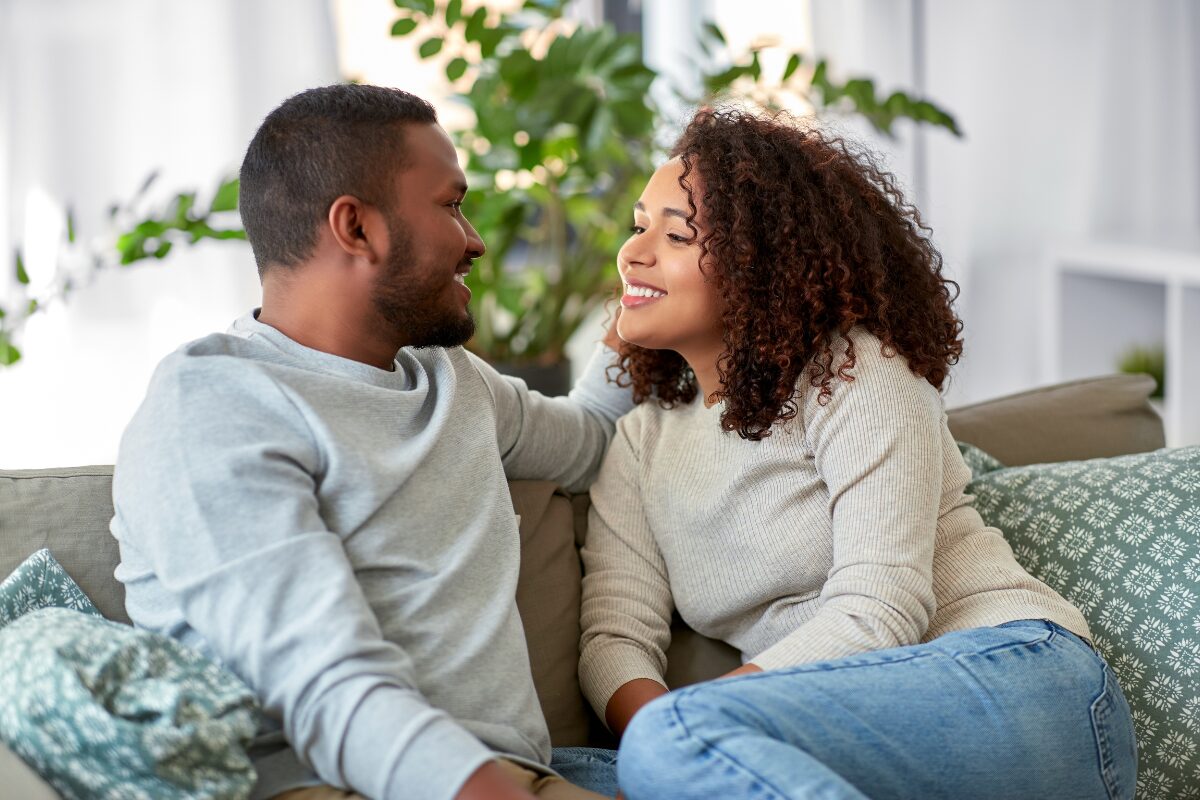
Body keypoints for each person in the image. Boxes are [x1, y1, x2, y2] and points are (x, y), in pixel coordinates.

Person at [578, 106, 1138, 800]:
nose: (632, 254)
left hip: (1019, 680)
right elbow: (614, 636)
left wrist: (693, 723)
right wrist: (663, 731)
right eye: (638, 227)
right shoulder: (641, 443)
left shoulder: (854, 373)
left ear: (764, 261)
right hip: (831, 729)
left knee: (669, 748)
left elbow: (881, 611)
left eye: (677, 235)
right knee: (557, 770)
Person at [110, 85, 627, 800]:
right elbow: (328, 688)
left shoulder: (451, 380)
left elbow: (594, 437)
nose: (474, 240)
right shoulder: (213, 406)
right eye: (451, 204)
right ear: (355, 227)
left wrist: (643, 299)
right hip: (331, 784)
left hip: (521, 776)